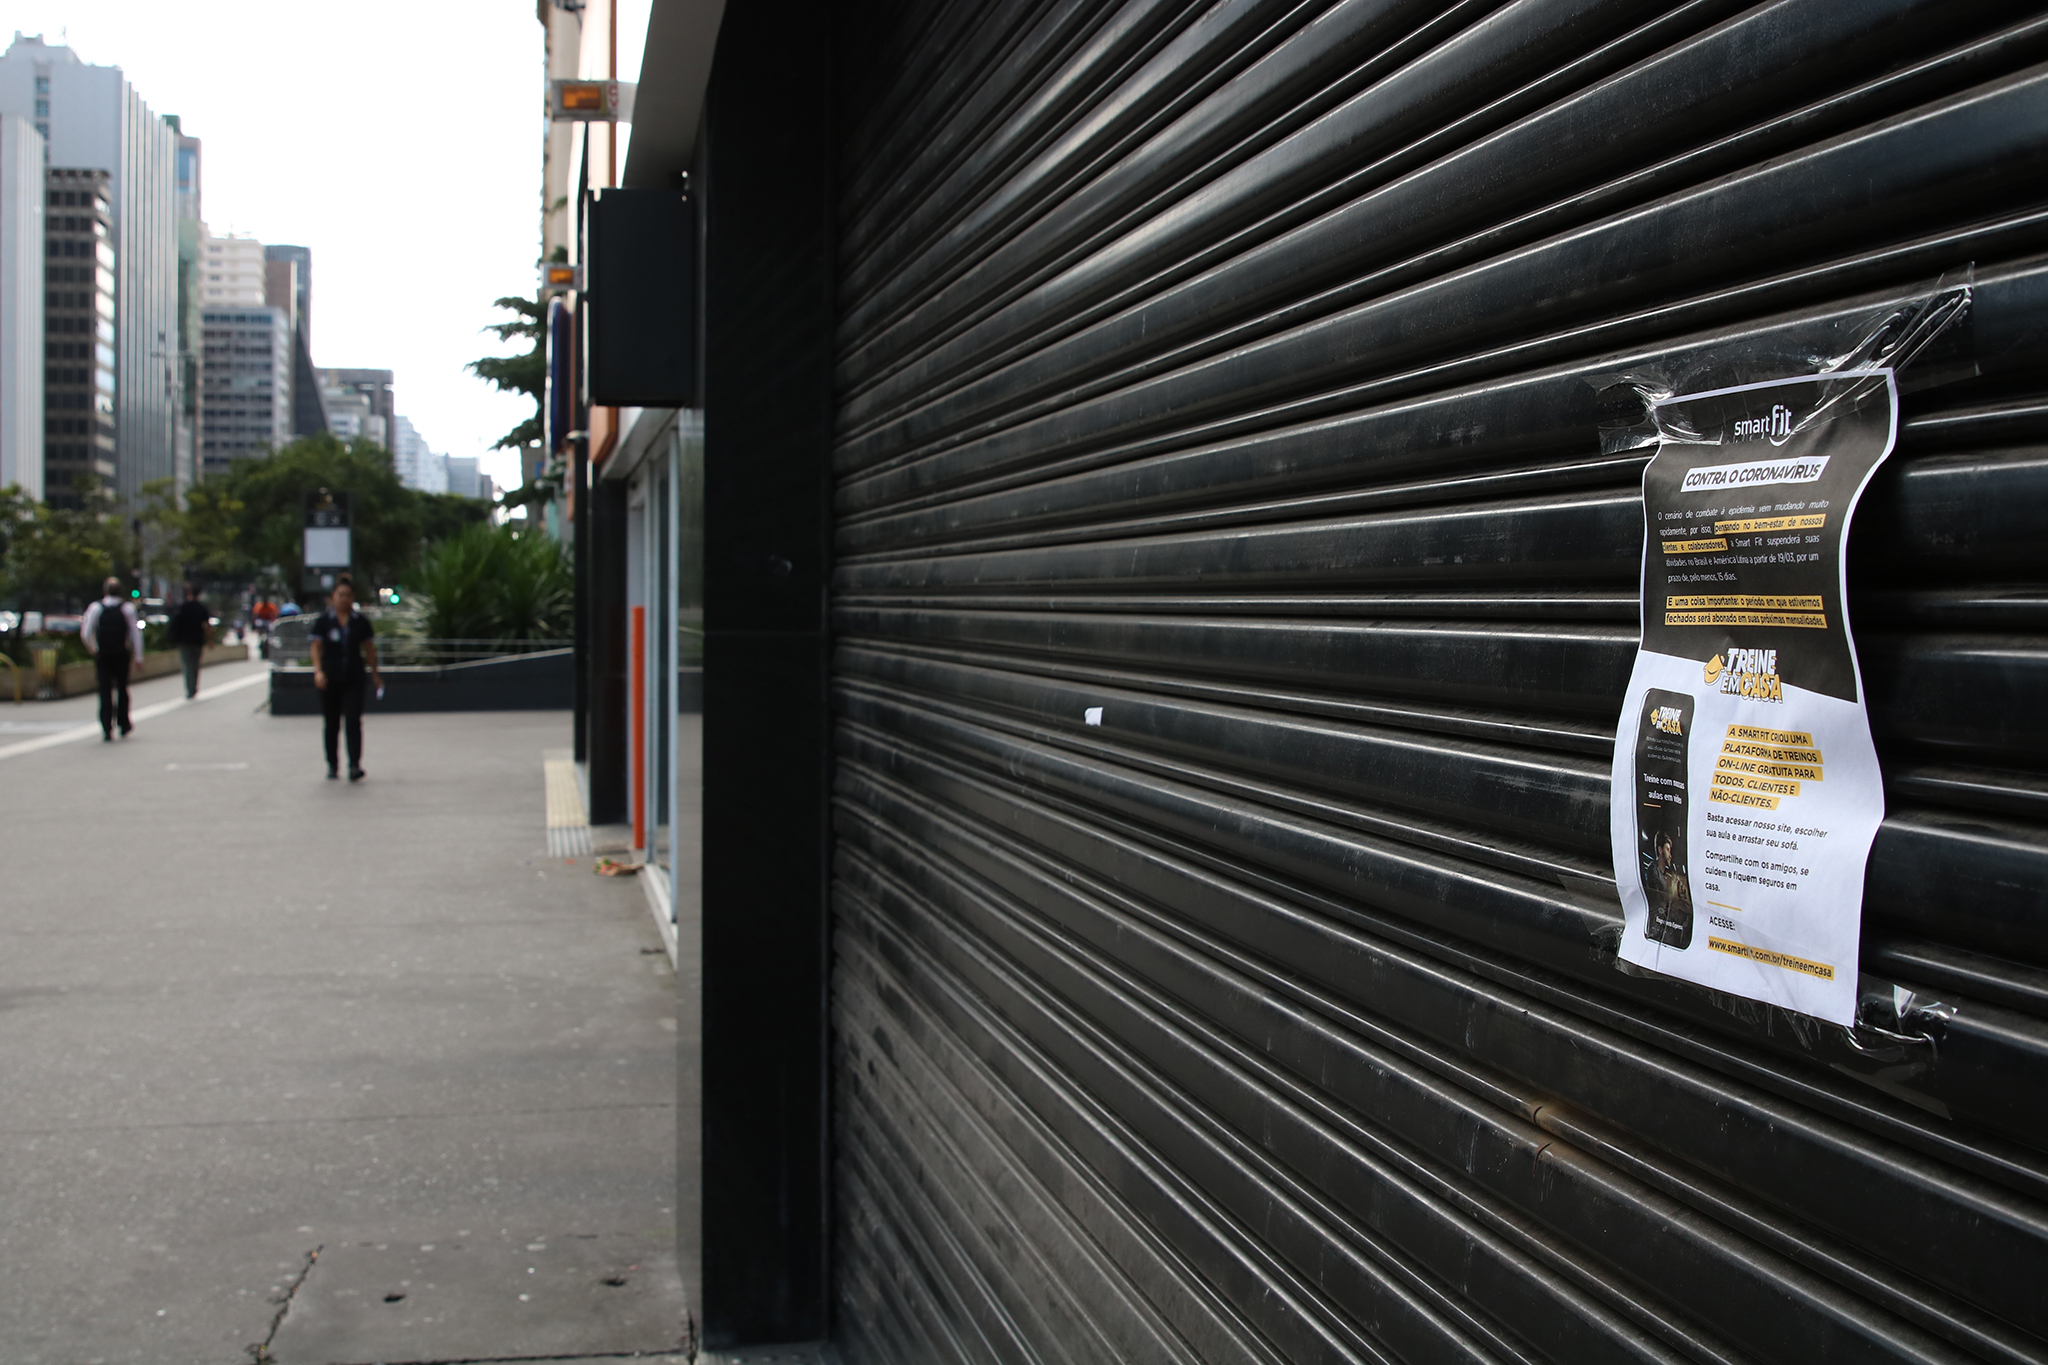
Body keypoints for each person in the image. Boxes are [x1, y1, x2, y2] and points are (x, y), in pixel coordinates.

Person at [309, 574, 383, 781]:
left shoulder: (360, 622)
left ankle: (354, 765)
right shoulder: (324, 622)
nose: (344, 599)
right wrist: (318, 671)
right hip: (330, 677)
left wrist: (375, 673)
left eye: (348, 596)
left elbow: (369, 649)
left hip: (354, 677)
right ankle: (332, 764)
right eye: (341, 595)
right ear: (333, 597)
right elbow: (316, 647)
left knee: (353, 721)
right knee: (331, 723)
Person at [80, 577, 143, 741]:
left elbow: (86, 633)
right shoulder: (127, 608)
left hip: (104, 655)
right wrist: (138, 656)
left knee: (104, 690)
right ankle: (124, 723)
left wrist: (94, 649)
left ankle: (107, 726)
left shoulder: (95, 608)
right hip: (121, 654)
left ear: (105, 591)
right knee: (122, 689)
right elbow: (135, 633)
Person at [168, 582, 212, 699]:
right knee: (195, 665)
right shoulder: (202, 608)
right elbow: (207, 625)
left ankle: (189, 689)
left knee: (187, 665)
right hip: (197, 640)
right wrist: (210, 641)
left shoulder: (182, 607)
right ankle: (194, 687)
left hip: (184, 641)